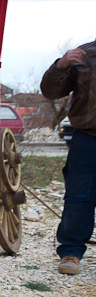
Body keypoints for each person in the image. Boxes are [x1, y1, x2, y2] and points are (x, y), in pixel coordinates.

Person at [40, 42, 96, 275]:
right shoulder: (85, 55)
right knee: (79, 196)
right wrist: (61, 65)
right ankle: (71, 252)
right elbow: (50, 92)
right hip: (88, 137)